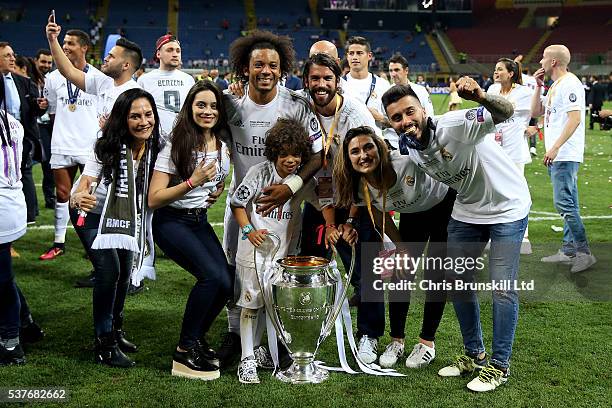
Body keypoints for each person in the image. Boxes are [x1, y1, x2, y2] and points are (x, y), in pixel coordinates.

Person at [383, 81, 529, 392]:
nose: (406, 121)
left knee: (502, 288)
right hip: (467, 210)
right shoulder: (407, 146)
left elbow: (506, 111)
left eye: (410, 112)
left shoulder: (455, 125)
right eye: (397, 118)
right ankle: (475, 355)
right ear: (391, 123)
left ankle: (499, 367)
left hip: (508, 205)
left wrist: (480, 97)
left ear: (423, 109)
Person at [218, 30, 323, 367]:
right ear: (244, 69)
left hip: (285, 207)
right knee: (235, 268)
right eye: (258, 64)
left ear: (282, 69)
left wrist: (290, 186)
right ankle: (236, 335)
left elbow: (318, 155)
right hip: (241, 205)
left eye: (273, 65)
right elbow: (207, 139)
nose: (266, 70)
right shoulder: (230, 105)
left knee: (278, 271)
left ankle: (276, 339)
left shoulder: (295, 104)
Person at [333, 126, 455, 369]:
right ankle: (396, 341)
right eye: (355, 151)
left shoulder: (405, 162)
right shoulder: (359, 184)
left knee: (436, 276)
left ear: (379, 147)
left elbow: (443, 164)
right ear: (348, 158)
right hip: (413, 213)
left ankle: (426, 343)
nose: (363, 155)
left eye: (368, 147)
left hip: (444, 207)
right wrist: (400, 246)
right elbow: (379, 213)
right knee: (401, 274)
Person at [230, 118, 338, 383]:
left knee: (271, 304)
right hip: (253, 253)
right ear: (273, 152)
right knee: (250, 304)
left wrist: (331, 225)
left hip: (284, 256)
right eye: (284, 154)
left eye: (297, 154)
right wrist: (249, 232)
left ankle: (257, 352)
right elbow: (237, 203)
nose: (291, 160)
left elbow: (322, 203)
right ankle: (246, 361)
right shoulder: (259, 172)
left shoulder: (300, 182)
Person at [69, 88, 160, 367]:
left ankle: (116, 330)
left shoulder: (158, 146)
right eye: (135, 116)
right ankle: (104, 344)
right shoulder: (106, 143)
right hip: (92, 214)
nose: (144, 121)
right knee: (110, 271)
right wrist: (78, 195)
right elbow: (86, 181)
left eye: (148, 114)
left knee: (123, 274)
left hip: (127, 217)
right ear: (123, 119)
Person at [148, 81, 232, 380]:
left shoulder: (221, 141)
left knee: (227, 282)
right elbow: (154, 198)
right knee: (210, 278)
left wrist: (218, 186)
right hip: (171, 221)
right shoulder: (176, 143)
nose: (207, 111)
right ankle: (184, 351)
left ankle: (196, 338)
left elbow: (217, 176)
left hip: (199, 220)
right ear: (190, 107)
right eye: (201, 105)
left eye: (213, 106)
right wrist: (192, 182)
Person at [531, 45, 596, 273]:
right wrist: (538, 87)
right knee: (569, 202)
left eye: (544, 58)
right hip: (559, 154)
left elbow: (575, 119)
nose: (540, 62)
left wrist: (556, 147)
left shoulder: (570, 83)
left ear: (554, 62)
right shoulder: (555, 85)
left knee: (564, 203)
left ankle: (584, 252)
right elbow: (535, 112)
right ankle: (569, 251)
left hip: (565, 154)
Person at [0, 78, 40, 366]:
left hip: (1, 208)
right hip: (12, 205)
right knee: (3, 275)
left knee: (1, 280)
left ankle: (11, 341)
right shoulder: (11, 122)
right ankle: (25, 322)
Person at [487, 58, 534, 254]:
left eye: (499, 69)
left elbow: (534, 110)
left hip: (514, 150)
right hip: (493, 149)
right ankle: (494, 235)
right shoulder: (491, 89)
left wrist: (533, 126)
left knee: (517, 194)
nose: (495, 72)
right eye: (495, 69)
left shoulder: (524, 92)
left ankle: (522, 237)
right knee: (493, 193)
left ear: (511, 73)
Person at [0, 42, 45, 225]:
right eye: (7, 56)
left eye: (13, 55)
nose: (13, 58)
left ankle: (29, 215)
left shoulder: (24, 81)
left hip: (21, 139)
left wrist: (40, 107)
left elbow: (34, 110)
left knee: (23, 173)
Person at [137, 34, 195, 139]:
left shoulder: (188, 80)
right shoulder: (145, 80)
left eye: (178, 51)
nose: (175, 54)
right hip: (154, 139)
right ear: (158, 54)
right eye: (170, 50)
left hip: (184, 138)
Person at [343, 36, 391, 130]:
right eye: (351, 53)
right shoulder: (339, 85)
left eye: (359, 53)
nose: (355, 57)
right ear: (347, 56)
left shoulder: (382, 85)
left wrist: (381, 118)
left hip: (375, 141)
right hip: (346, 142)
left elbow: (395, 122)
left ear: (369, 56)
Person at [386, 53, 433, 149]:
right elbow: (383, 119)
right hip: (394, 144)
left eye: (397, 70)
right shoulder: (386, 94)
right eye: (391, 71)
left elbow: (429, 116)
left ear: (406, 70)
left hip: (418, 144)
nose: (393, 74)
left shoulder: (420, 90)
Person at [33, 49, 56, 209]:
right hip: (35, 125)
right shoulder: (27, 79)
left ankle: (50, 199)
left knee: (50, 164)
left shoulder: (52, 80)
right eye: (43, 62)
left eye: (49, 62)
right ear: (36, 61)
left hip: (51, 125)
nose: (46, 65)